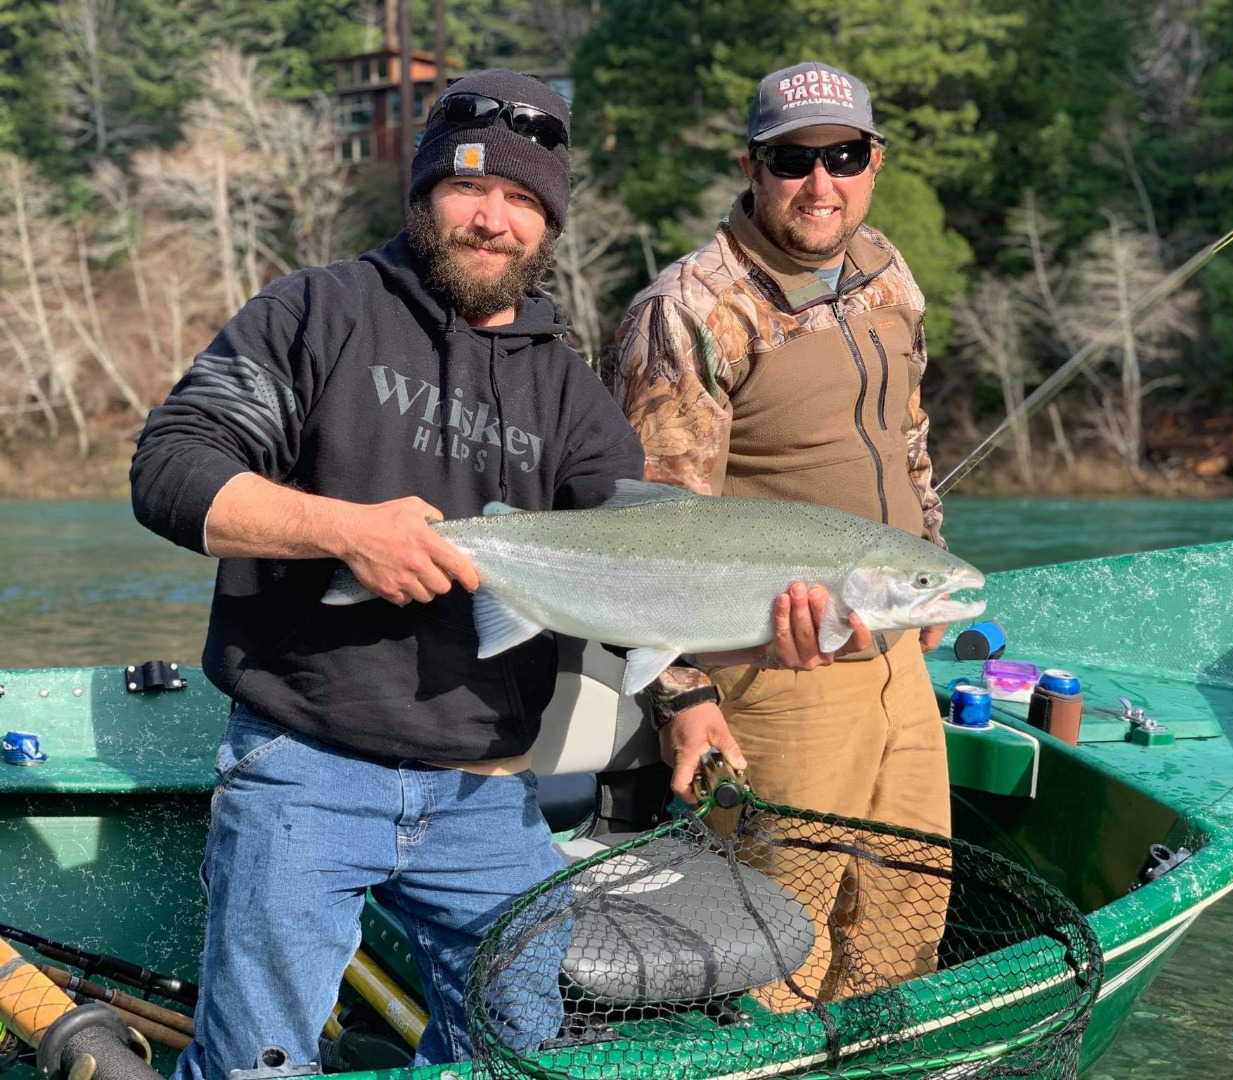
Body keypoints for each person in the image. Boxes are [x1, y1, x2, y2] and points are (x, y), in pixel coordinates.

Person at [133, 67, 863, 1076]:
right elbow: (171, 470)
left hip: (485, 791)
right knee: (258, 1064)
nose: (494, 218)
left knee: (515, 1052)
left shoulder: (564, 386)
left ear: (549, 225)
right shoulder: (316, 312)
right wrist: (344, 531)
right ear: (424, 193)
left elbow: (639, 571)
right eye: (470, 188)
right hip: (304, 764)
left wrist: (723, 663)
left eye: (524, 200)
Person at [613, 61, 953, 1010]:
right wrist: (682, 694)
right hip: (775, 673)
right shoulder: (688, 311)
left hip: (896, 660)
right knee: (780, 939)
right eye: (792, 159)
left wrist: (926, 566)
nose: (821, 182)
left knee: (907, 910)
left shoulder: (888, 271)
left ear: (873, 160)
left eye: (843, 155)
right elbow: (648, 542)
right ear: (753, 166)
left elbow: (910, 436)